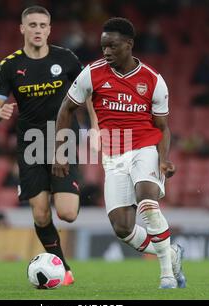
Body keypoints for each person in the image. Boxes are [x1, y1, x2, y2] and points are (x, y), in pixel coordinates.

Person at [53, 17, 186, 289]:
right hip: (113, 156)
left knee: (147, 201)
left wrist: (163, 158)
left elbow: (163, 127)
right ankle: (171, 254)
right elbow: (66, 109)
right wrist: (59, 151)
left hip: (145, 148)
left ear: (129, 44)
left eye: (112, 46)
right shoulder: (92, 73)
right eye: (103, 47)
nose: (106, 52)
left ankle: (167, 276)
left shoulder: (153, 80)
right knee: (123, 228)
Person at [0, 6, 89, 285]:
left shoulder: (65, 58)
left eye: (43, 25)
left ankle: (67, 198)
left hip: (62, 138)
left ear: (49, 29)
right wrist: (0, 112)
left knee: (67, 213)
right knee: (41, 213)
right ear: (22, 28)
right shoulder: (9, 65)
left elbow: (88, 92)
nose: (37, 30)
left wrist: (95, 127)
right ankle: (64, 270)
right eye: (32, 25)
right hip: (30, 144)